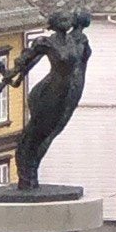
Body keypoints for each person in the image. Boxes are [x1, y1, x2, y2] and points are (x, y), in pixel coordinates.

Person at [11, 9, 92, 187]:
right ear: (54, 24)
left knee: (50, 133)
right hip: (48, 93)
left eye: (68, 18)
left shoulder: (77, 40)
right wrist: (15, 77)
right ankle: (26, 173)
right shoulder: (46, 42)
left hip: (66, 94)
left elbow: (81, 62)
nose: (67, 21)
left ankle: (31, 170)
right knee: (37, 134)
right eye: (62, 18)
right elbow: (29, 59)